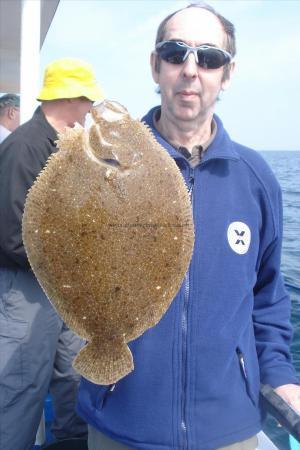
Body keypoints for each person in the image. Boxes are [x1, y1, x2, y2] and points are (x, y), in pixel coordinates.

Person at [76, 3, 300, 450]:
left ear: (227, 73)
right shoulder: (97, 164)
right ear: (155, 66)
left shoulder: (256, 178)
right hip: (120, 417)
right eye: (175, 53)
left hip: (227, 428)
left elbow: (268, 296)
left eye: (210, 57)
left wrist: (280, 377)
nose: (191, 69)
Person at [0, 57, 103, 450]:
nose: (92, 109)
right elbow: (11, 236)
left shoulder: (66, 146)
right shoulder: (24, 148)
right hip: (26, 289)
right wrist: (73, 264)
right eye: (89, 101)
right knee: (22, 387)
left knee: (74, 377)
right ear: (72, 98)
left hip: (64, 290)